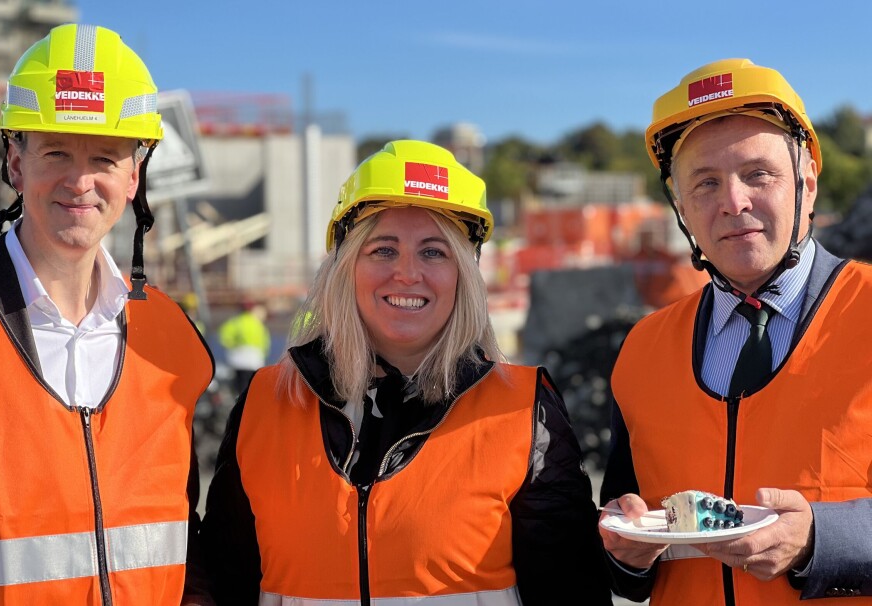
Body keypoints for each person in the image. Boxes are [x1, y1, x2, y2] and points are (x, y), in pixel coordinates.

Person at [184, 140, 613, 605]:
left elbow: (573, 591)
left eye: (434, 253)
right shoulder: (266, 403)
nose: (407, 274)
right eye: (383, 250)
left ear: (464, 276)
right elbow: (225, 584)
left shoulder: (524, 411)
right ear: (346, 268)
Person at [0, 24, 213, 604]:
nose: (79, 181)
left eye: (104, 156)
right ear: (16, 162)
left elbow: (185, 549)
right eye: (55, 152)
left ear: (134, 177)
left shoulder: (174, 340)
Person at [599, 58, 872, 604]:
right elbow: (626, 544)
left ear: (808, 185)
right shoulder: (643, 351)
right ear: (681, 207)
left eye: (758, 174)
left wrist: (822, 537)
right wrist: (622, 554)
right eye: (705, 183)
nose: (733, 202)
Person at [217, 300, 271, 395]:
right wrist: (263, 354)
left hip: (238, 358)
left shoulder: (235, 322)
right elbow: (265, 341)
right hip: (255, 359)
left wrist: (232, 347)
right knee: (252, 385)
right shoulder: (257, 323)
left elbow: (224, 336)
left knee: (239, 385)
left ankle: (238, 403)